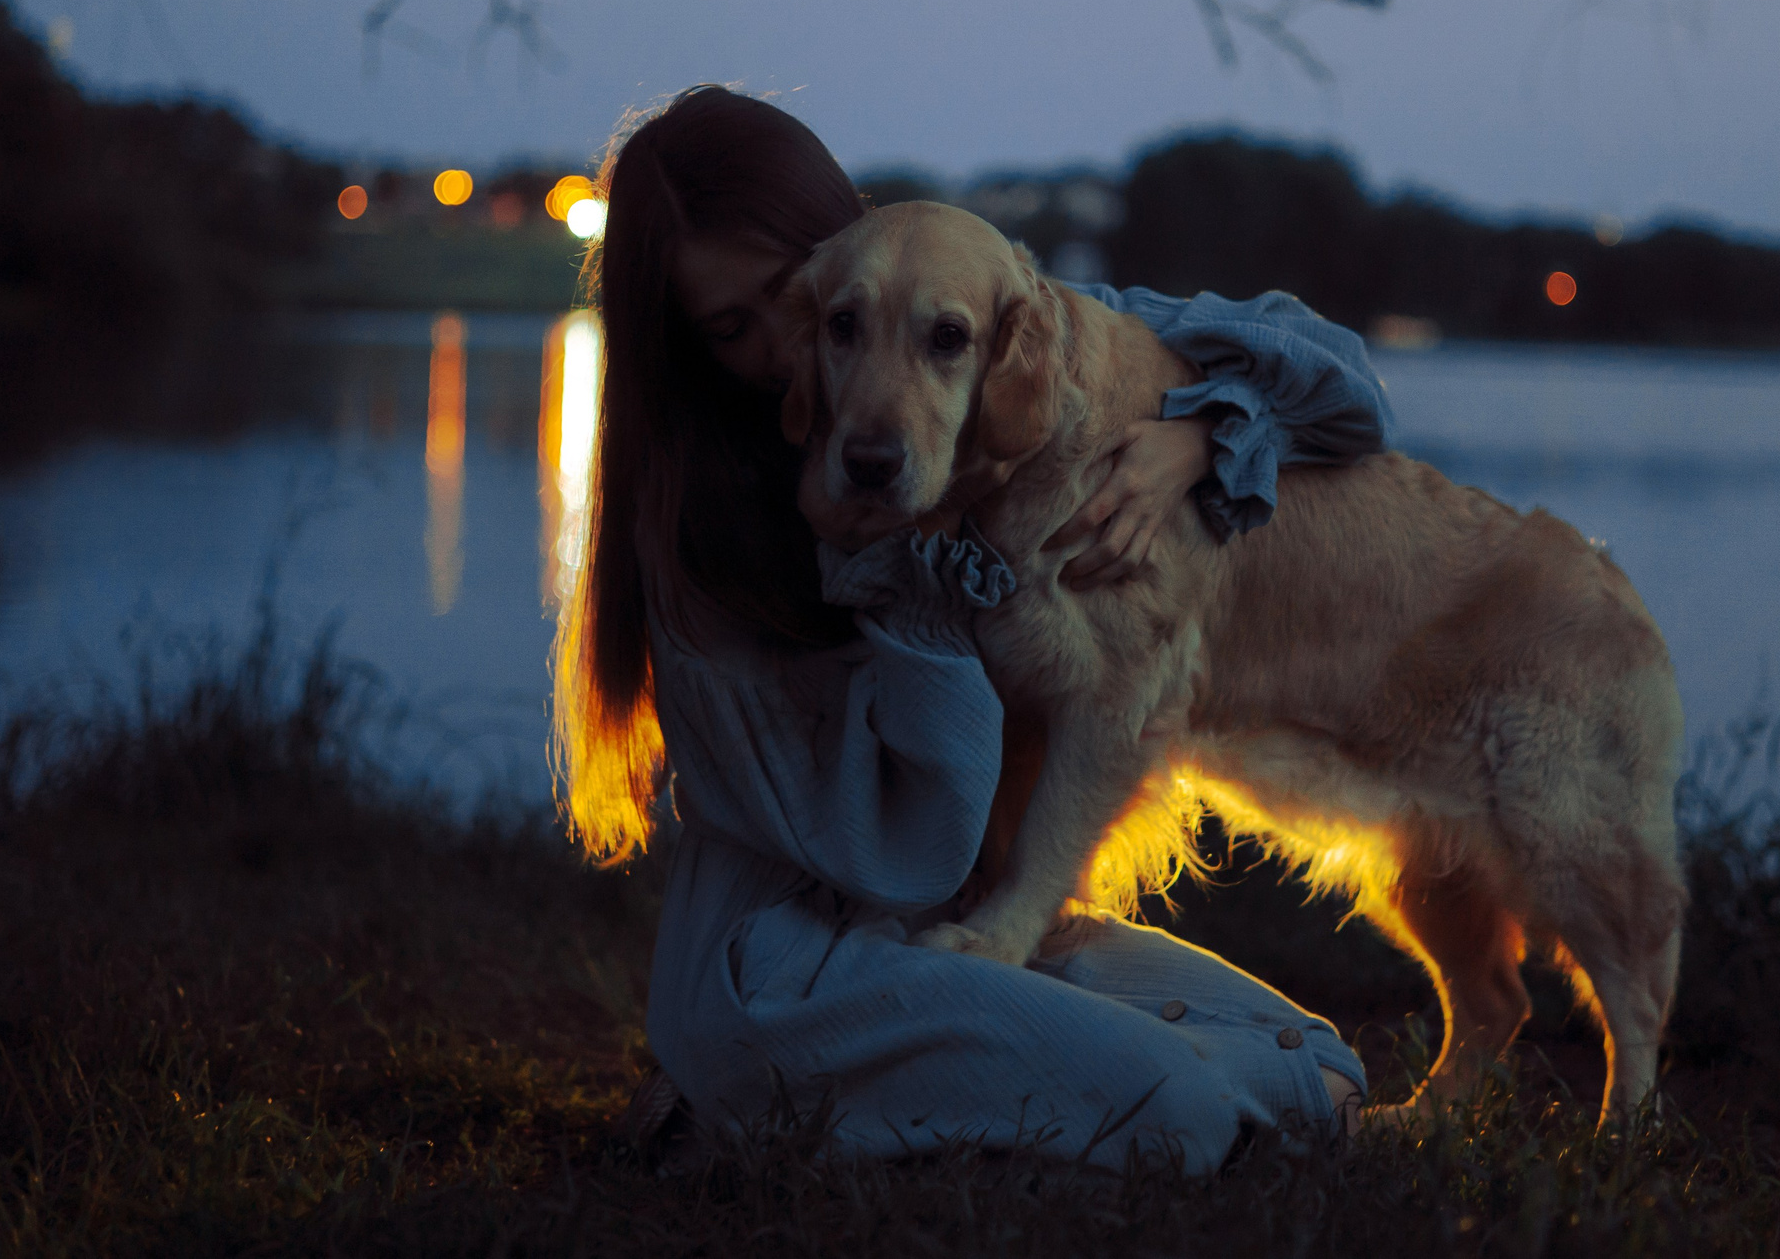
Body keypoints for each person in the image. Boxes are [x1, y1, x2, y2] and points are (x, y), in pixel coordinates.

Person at [556, 85, 1395, 1173]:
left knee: (1319, 1068)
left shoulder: (971, 322)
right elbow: (911, 852)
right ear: (680, 341)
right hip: (789, 969)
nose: (787, 346)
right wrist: (899, 573)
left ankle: (911, 1102)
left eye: (803, 301)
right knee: (1191, 1112)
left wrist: (1197, 439)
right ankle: (739, 1100)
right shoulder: (694, 548)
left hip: (957, 923)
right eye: (732, 328)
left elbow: (1338, 376)